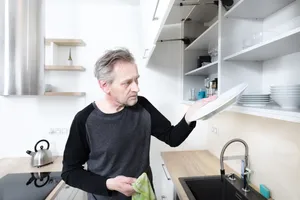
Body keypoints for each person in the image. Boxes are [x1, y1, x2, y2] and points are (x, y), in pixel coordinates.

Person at [61, 48, 216, 200]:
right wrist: (109, 184)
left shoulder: (143, 107)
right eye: (127, 83)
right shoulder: (84, 120)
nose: (136, 88)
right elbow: (70, 172)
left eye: (136, 80)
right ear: (105, 86)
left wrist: (191, 114)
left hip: (144, 195)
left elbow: (172, 137)